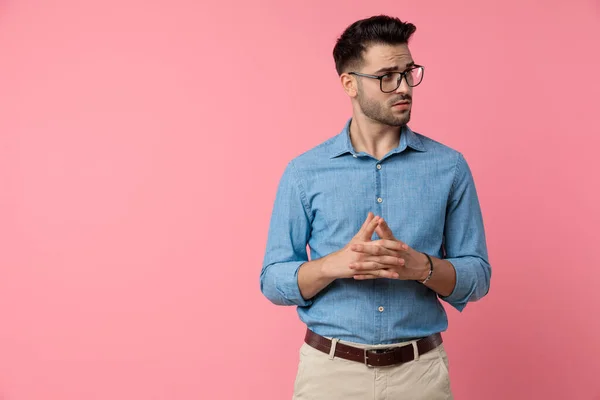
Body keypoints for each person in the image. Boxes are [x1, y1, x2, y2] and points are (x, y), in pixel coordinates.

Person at [259, 14, 491, 400]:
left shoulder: (449, 167)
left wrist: (422, 268)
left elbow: (477, 275)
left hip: (420, 376)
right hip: (330, 375)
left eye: (408, 72)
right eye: (387, 76)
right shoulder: (304, 172)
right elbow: (273, 280)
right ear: (349, 83)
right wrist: (335, 264)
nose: (403, 87)